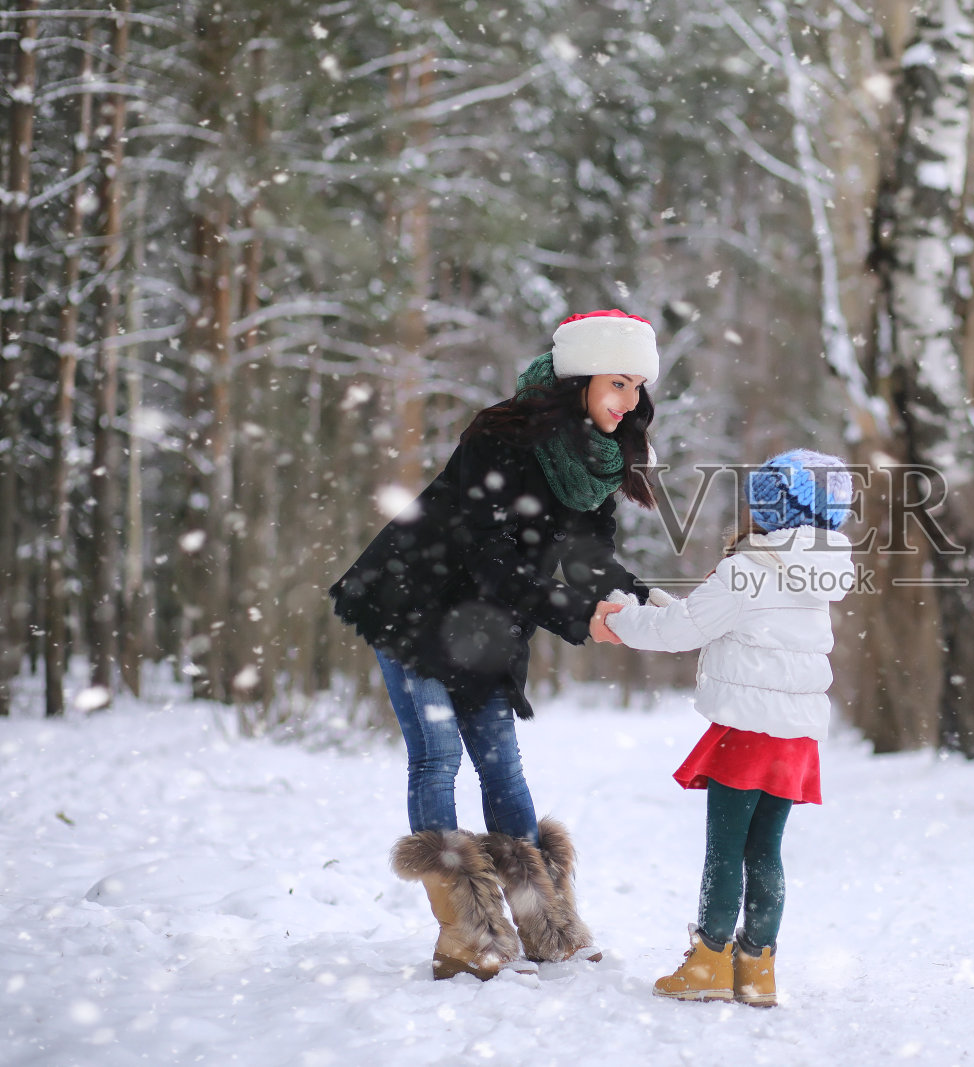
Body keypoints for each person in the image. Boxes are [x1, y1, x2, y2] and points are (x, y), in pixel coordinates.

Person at [329, 309, 660, 980]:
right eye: (617, 384)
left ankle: (548, 926)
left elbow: (586, 556)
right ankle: (465, 932)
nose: (629, 403)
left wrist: (644, 599)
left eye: (637, 388)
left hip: (487, 622)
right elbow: (491, 555)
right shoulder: (503, 436)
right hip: (416, 602)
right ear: (580, 379)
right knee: (439, 755)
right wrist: (575, 616)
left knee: (502, 767)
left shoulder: (595, 462)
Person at [592, 448, 855, 1007]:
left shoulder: (749, 569)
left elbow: (684, 629)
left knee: (725, 849)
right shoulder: (817, 573)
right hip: (794, 736)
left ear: (768, 506)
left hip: (747, 732)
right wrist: (659, 607)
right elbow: (728, 627)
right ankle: (758, 968)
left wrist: (621, 620)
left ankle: (710, 961)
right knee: (766, 851)